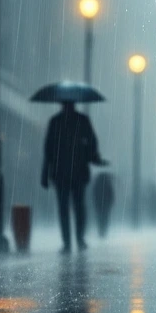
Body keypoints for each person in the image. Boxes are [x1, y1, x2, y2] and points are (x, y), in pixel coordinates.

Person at [41, 101, 105, 252]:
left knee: (66, 208)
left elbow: (48, 151)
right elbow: (92, 143)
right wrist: (92, 156)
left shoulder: (56, 121)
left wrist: (45, 173)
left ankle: (68, 241)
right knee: (78, 207)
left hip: (62, 173)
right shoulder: (82, 121)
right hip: (77, 172)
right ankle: (78, 239)